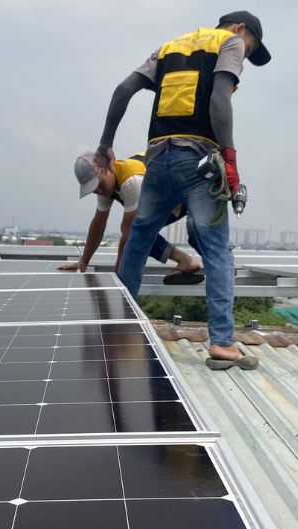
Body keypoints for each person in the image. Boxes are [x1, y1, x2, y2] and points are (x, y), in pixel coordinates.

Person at [93, 11, 270, 370]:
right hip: (199, 159)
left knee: (139, 238)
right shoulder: (229, 41)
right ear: (240, 29)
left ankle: (119, 324)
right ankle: (222, 343)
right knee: (217, 249)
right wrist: (230, 157)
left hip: (157, 159)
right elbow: (220, 98)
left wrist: (105, 144)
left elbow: (123, 89)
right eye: (251, 49)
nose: (246, 55)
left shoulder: (168, 48)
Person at [59, 152, 203, 284]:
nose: (98, 191)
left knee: (137, 233)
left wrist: (117, 276)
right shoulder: (106, 184)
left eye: (98, 184)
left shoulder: (132, 181)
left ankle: (193, 263)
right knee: (138, 232)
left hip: (187, 190)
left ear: (108, 168)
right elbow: (98, 223)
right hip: (166, 194)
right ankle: (185, 261)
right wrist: (84, 262)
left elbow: (129, 235)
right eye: (93, 189)